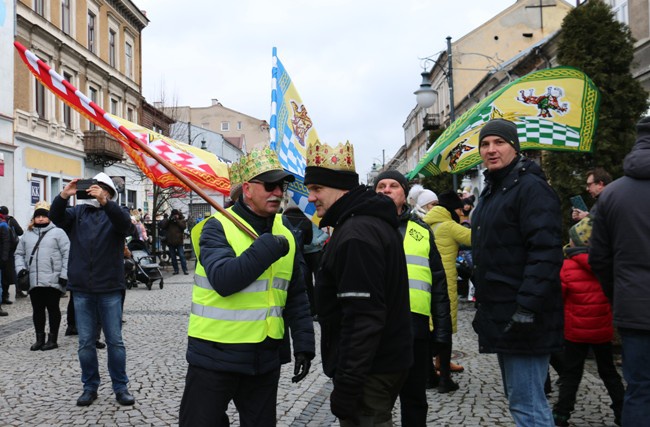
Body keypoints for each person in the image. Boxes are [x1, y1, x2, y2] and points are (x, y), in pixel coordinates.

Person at [179, 147, 315, 426]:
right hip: (214, 356)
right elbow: (225, 280)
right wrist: (266, 247)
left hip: (264, 358)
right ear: (248, 189)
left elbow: (295, 293)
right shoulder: (216, 227)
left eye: (281, 185)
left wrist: (303, 343)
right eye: (269, 185)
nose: (277, 192)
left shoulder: (285, 229)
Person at [304, 141, 413, 426]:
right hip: (379, 362)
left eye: (317, 189)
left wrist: (348, 385)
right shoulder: (361, 223)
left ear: (341, 189)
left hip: (372, 368)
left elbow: (363, 317)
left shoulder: (356, 234)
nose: (310, 197)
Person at [471, 118, 564, 426]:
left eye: (499, 142)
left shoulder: (531, 188)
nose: (491, 150)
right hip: (503, 312)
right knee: (521, 402)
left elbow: (545, 252)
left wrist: (527, 307)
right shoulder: (494, 190)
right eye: (485, 144)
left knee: (528, 406)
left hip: (525, 317)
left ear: (515, 147)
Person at [49, 172, 136, 407]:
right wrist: (63, 195)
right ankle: (90, 387)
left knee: (115, 341)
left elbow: (126, 227)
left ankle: (120, 387)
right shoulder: (78, 213)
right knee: (85, 343)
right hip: (82, 289)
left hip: (109, 288)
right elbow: (55, 217)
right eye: (92, 188)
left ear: (108, 192)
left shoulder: (118, 213)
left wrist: (107, 204)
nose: (94, 191)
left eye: (100, 188)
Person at [374, 170, 452, 425]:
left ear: (404, 194)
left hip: (414, 329)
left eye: (393, 185)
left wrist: (442, 330)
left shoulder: (421, 230)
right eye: (381, 186)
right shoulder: (363, 227)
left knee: (415, 399)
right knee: (375, 402)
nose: (386, 190)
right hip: (376, 329)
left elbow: (438, 282)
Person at [589, 116, 650, 426]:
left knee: (639, 390)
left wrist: (619, 293)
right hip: (632, 303)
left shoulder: (611, 194)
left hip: (634, 307)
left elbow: (598, 258)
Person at [552, 217, 623, 426]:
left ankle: (561, 414)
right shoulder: (606, 266)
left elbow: (559, 297)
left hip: (575, 332)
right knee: (609, 372)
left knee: (571, 374)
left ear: (576, 242)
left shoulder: (566, 267)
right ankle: (622, 409)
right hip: (601, 330)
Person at [424, 190, 471, 378]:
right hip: (445, 280)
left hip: (426, 278)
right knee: (445, 322)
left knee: (429, 322)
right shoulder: (449, 226)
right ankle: (443, 369)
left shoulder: (425, 224)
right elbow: (474, 238)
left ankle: (433, 364)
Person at [15, 201, 70, 351]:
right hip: (34, 279)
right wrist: (20, 269)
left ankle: (53, 339)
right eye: (37, 216)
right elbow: (19, 253)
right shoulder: (27, 235)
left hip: (53, 278)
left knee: (53, 308)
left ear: (49, 218)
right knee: (37, 310)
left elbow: (67, 254)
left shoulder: (58, 233)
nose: (40, 219)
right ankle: (39, 338)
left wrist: (64, 274)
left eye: (43, 216)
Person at [1, 206, 24, 301]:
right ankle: (18, 291)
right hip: (11, 250)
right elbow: (20, 232)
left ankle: (5, 295)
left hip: (3, 250)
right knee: (14, 270)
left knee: (4, 273)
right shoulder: (11, 220)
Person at [159, 209, 188, 275]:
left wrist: (177, 220)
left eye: (176, 215)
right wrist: (169, 220)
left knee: (181, 256)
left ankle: (185, 270)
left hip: (179, 242)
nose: (175, 216)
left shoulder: (181, 220)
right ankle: (176, 270)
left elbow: (183, 227)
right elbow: (163, 226)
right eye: (174, 215)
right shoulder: (169, 222)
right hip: (171, 242)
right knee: (173, 257)